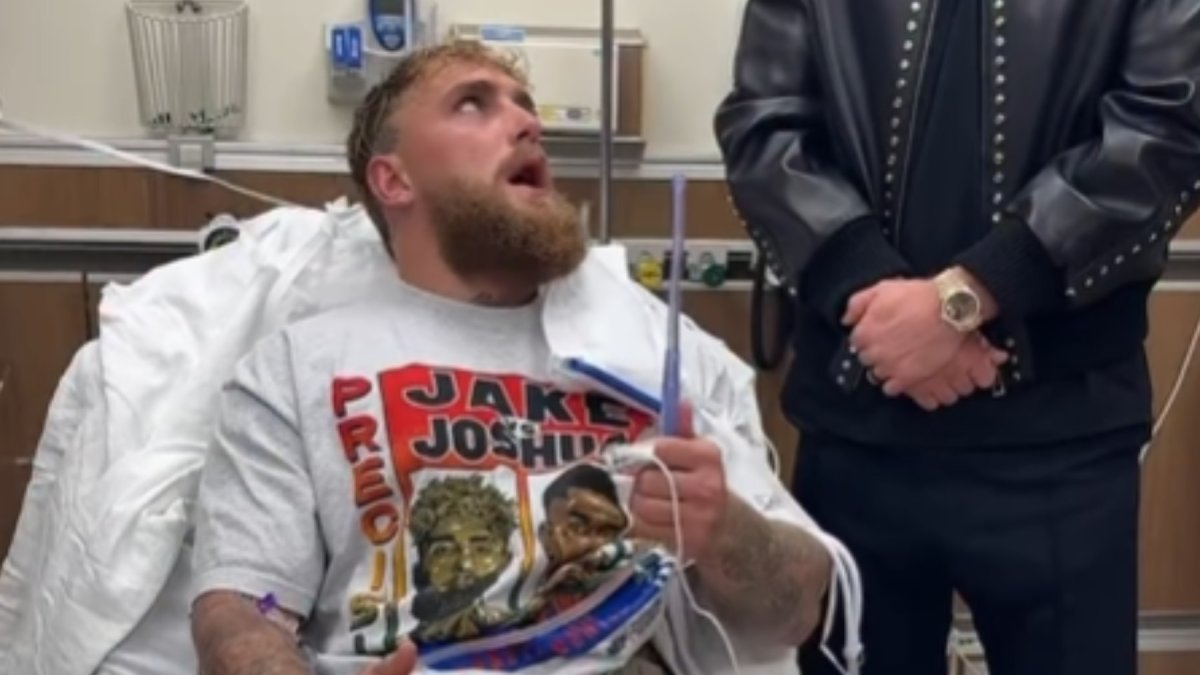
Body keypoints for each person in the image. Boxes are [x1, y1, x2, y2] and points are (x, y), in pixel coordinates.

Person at [189, 40, 837, 675]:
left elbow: (796, 613)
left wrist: (724, 530)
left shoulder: (656, 352)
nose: (529, 124)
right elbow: (242, 613)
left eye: (525, 105)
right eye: (473, 104)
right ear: (394, 178)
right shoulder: (297, 369)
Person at [714, 1, 1200, 674]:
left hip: (1060, 432)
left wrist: (968, 297)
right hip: (862, 426)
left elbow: (1167, 131)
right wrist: (879, 301)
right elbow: (763, 127)